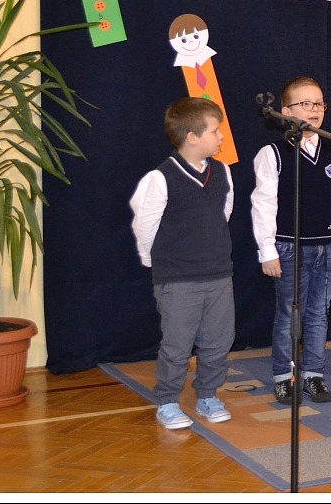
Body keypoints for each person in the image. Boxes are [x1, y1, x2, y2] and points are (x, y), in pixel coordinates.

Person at [250, 76, 331, 405]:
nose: (314, 109)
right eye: (305, 104)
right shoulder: (274, 154)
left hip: (328, 245)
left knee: (318, 313)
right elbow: (264, 204)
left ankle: (313, 373)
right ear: (286, 112)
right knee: (289, 313)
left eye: (319, 103)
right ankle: (283, 376)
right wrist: (267, 249)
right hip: (289, 246)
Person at [129, 97, 235, 430]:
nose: (221, 136)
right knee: (177, 345)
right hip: (177, 280)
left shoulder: (223, 172)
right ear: (192, 137)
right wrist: (154, 261)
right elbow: (145, 224)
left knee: (218, 342)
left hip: (218, 275)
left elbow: (224, 212)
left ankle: (207, 395)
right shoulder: (161, 178)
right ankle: (167, 401)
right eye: (215, 131)